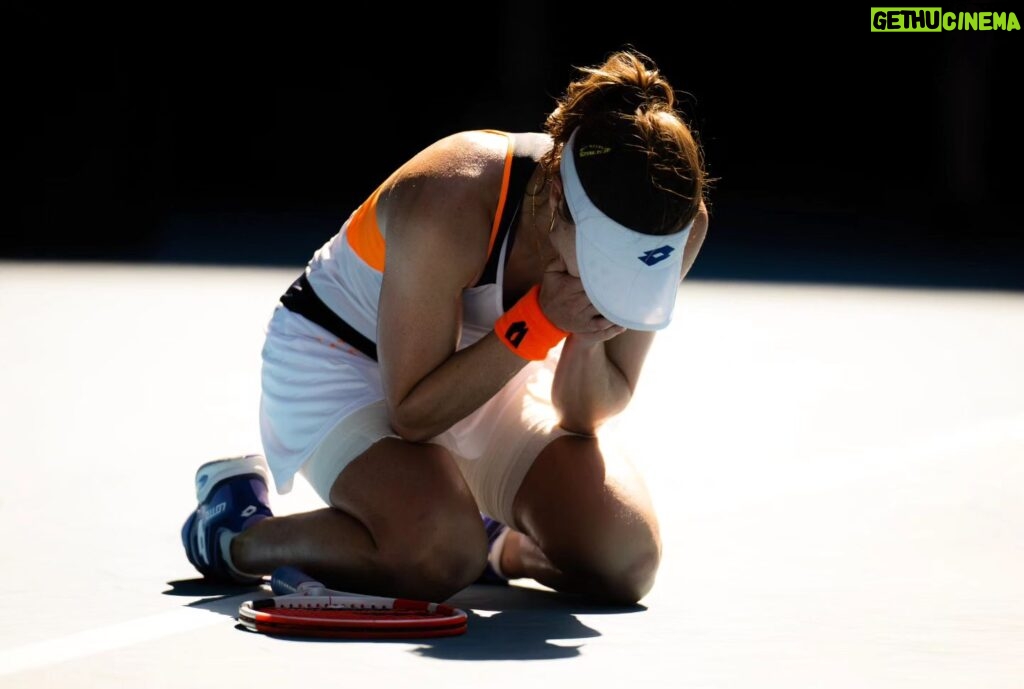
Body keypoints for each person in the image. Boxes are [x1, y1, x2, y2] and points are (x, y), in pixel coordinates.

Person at [181, 49, 709, 605]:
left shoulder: (677, 223)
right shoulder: (451, 196)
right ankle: (238, 533)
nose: (620, 281)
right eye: (608, 260)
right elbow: (412, 414)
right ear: (557, 198)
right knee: (440, 549)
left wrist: (584, 331)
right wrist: (541, 318)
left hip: (490, 365)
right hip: (341, 359)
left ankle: (498, 547)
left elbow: (581, 415)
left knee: (622, 559)